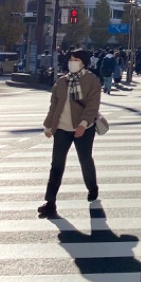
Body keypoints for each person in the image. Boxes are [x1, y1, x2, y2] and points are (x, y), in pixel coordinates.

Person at [37, 48, 101, 219]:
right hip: (62, 129)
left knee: (85, 160)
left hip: (84, 129)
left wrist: (83, 124)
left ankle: (92, 187)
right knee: (56, 164)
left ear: (83, 62)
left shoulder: (91, 80)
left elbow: (92, 107)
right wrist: (49, 125)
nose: (72, 62)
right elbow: (54, 106)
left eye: (76, 59)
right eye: (70, 59)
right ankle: (50, 202)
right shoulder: (62, 81)